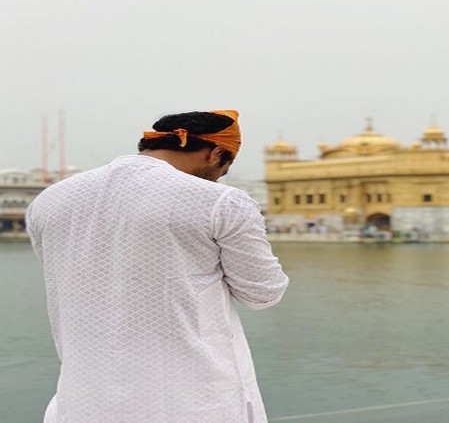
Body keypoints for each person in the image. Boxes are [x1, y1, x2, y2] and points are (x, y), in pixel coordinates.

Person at [26, 110, 289, 423]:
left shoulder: (50, 200)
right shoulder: (220, 201)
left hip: (84, 402)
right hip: (191, 403)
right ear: (216, 153)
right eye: (224, 168)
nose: (220, 177)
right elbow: (263, 293)